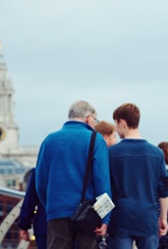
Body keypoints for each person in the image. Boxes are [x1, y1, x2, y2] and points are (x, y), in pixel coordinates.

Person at [35, 100, 111, 248]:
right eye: (95, 121)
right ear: (88, 118)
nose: (94, 125)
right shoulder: (95, 140)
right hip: (88, 215)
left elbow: (40, 183)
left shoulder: (49, 140)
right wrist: (105, 217)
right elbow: (102, 182)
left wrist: (51, 206)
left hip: (56, 212)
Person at [107, 103, 168, 249]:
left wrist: (104, 220)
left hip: (120, 218)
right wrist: (163, 218)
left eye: (116, 124)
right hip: (147, 218)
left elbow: (106, 189)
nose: (116, 130)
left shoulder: (112, 153)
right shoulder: (156, 153)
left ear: (122, 123)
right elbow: (164, 189)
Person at [18, 168, 47, 249]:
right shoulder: (78, 167)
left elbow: (30, 199)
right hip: (75, 221)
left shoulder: (40, 169)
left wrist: (24, 225)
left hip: (44, 223)